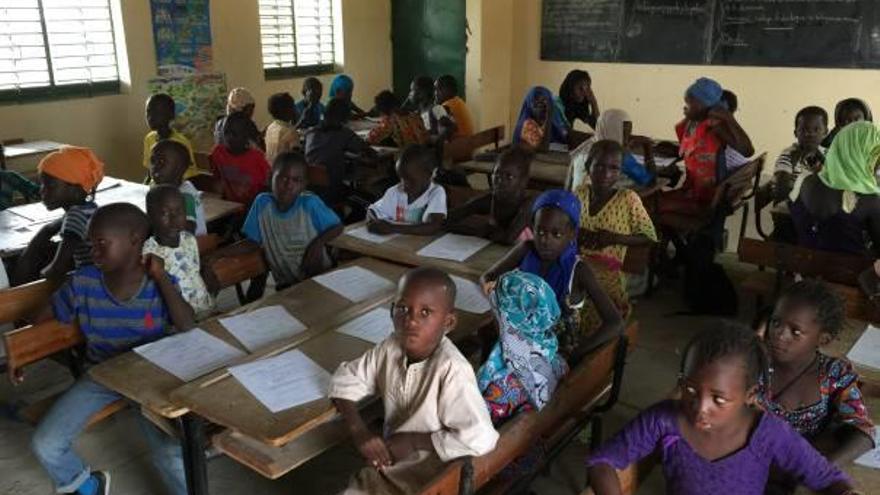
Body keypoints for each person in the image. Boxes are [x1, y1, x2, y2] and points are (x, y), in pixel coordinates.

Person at [31, 203, 194, 495]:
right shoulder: (83, 282)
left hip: (149, 376)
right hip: (102, 376)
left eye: (101, 243)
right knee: (46, 443)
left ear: (134, 240)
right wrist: (25, 352)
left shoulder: (155, 282)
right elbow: (44, 316)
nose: (93, 252)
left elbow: (186, 324)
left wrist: (161, 279)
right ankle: (88, 485)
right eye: (90, 244)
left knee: (170, 453)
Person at [586, 323, 857, 495]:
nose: (700, 407)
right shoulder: (664, 419)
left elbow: (826, 478)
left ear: (750, 395)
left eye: (719, 399)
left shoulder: (768, 433)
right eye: (690, 389)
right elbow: (603, 462)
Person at [329, 267, 499, 495]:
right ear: (391, 312)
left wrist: (414, 441)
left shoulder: (452, 369)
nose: (411, 321)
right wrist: (359, 430)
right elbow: (345, 378)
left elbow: (482, 438)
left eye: (425, 312)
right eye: (402, 309)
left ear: (448, 323)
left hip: (430, 477)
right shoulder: (390, 348)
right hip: (391, 467)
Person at [480, 190, 623, 362]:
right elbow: (488, 276)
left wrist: (576, 353)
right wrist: (496, 299)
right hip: (518, 341)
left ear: (572, 234)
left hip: (555, 354)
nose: (545, 240)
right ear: (533, 228)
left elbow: (615, 322)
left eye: (556, 234)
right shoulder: (526, 250)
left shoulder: (578, 270)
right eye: (540, 232)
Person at [759, 281, 873, 493]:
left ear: (823, 338)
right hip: (752, 466)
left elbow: (862, 431)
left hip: (802, 469)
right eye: (776, 323)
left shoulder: (834, 374)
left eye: (795, 331)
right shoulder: (750, 365)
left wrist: (821, 469)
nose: (780, 335)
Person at [219, 151, 342, 300]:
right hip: (286, 286)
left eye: (296, 180)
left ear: (304, 184)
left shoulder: (309, 204)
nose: (289, 185)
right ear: (270, 178)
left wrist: (317, 244)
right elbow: (253, 242)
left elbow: (337, 227)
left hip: (319, 279)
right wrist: (219, 253)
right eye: (282, 178)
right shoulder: (262, 203)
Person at [575, 140, 657, 332]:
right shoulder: (579, 194)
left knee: (588, 308)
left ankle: (590, 350)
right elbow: (564, 228)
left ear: (620, 172)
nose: (606, 173)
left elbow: (649, 237)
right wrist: (576, 234)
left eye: (613, 168)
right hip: (577, 266)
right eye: (599, 166)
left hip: (608, 275)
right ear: (588, 167)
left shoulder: (628, 200)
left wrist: (615, 238)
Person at [478, 270, 568, 422]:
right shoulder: (557, 360)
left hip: (505, 441)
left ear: (506, 322)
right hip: (541, 430)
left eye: (496, 312)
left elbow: (475, 427)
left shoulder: (501, 387)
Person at [659, 77, 754, 217]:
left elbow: (748, 151)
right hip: (692, 191)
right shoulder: (695, 122)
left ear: (704, 105)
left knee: (647, 204)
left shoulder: (716, 125)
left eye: (690, 104)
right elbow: (689, 147)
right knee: (649, 200)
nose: (685, 108)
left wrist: (728, 118)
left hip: (705, 200)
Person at [14, 146, 104, 284]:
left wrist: (38, 279)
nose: (42, 191)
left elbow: (57, 267)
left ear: (75, 188)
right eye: (42, 185)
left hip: (90, 284)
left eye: (50, 186)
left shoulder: (75, 216)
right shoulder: (92, 210)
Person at [789, 121, 880, 256]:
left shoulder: (804, 181)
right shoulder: (869, 200)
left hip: (804, 269)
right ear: (863, 154)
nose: (877, 163)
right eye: (874, 155)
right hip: (848, 274)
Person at [143, 185, 215, 318]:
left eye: (179, 211)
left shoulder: (188, 239)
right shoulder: (149, 253)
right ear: (150, 217)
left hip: (205, 309)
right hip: (177, 319)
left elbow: (194, 272)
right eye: (165, 213)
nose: (174, 219)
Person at [445, 146, 536, 245]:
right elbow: (454, 215)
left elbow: (508, 238)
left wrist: (482, 231)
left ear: (523, 181)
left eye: (509, 177)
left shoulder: (528, 204)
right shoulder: (490, 199)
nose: (500, 181)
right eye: (496, 175)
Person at [304, 98, 377, 206]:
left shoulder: (310, 132)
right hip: (333, 189)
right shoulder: (344, 133)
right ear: (345, 118)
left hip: (310, 189)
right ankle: (349, 220)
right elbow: (367, 150)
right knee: (371, 200)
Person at [567, 109, 658, 190]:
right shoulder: (618, 156)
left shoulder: (586, 147)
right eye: (623, 133)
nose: (628, 140)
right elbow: (651, 182)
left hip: (578, 200)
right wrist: (647, 147)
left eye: (629, 133)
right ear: (614, 131)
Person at [367, 144, 446, 236]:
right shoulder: (395, 191)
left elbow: (434, 227)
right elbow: (372, 210)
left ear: (431, 174)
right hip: (396, 245)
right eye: (401, 178)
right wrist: (373, 222)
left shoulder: (436, 192)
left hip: (421, 247)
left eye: (412, 180)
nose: (405, 185)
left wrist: (392, 228)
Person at [765, 106, 829, 205]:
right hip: (792, 207)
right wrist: (794, 162)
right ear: (796, 133)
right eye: (804, 130)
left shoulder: (827, 154)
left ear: (825, 132)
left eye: (816, 129)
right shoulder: (789, 155)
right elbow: (781, 190)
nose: (810, 134)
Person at [209, 111, 271, 206]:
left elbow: (268, 188)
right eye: (226, 132)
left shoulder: (257, 158)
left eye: (234, 134)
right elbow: (217, 180)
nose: (229, 137)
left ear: (246, 137)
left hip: (253, 207)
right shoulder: (218, 153)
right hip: (230, 207)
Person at [150, 139, 207, 235]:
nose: (155, 166)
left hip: (195, 246)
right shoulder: (164, 189)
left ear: (180, 168)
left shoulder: (185, 195)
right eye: (152, 161)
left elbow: (188, 230)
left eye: (162, 161)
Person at [142, 94, 199, 183]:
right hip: (155, 187)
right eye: (148, 111)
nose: (150, 116)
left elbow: (190, 177)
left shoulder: (181, 142)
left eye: (158, 112)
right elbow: (150, 172)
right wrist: (143, 187)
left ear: (171, 115)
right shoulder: (149, 138)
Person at [512, 86, 570, 152]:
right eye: (538, 104)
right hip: (524, 160)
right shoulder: (527, 124)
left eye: (545, 103)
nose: (543, 108)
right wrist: (549, 116)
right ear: (530, 105)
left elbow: (564, 135)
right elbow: (543, 149)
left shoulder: (544, 120)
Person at [264, 92, 300, 164]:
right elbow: (297, 156)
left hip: (270, 169)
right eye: (293, 107)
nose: (295, 110)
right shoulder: (290, 132)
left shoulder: (270, 127)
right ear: (287, 111)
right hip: (284, 169)